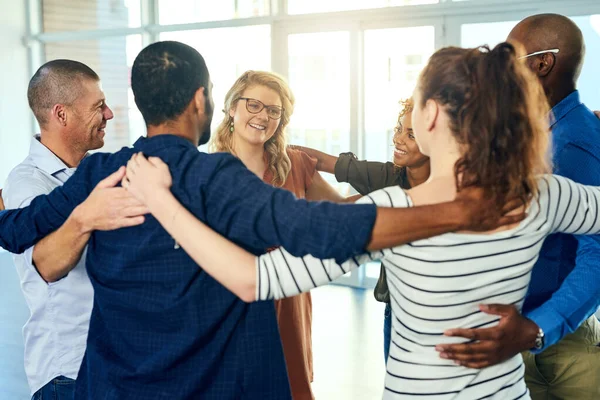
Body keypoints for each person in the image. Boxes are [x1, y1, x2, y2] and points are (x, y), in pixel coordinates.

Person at [0, 41, 520, 399]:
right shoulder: (215, 178)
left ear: (137, 104)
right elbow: (320, 229)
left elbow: (16, 229)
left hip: (115, 388)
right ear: (203, 101)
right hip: (221, 386)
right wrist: (455, 211)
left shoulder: (98, 173)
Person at [121, 42, 600, 399]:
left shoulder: (390, 210)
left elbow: (254, 279)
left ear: (430, 115)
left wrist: (161, 201)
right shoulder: (543, 194)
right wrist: (539, 328)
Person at [436, 14, 600, 400]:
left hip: (556, 345)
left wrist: (537, 328)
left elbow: (597, 253)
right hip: (519, 333)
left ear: (542, 63)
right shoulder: (537, 131)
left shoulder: (573, 142)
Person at [1, 60, 147, 400]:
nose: (109, 114)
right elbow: (47, 265)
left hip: (115, 367)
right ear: (61, 114)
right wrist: (87, 217)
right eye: (98, 106)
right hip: (68, 375)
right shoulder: (26, 183)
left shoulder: (94, 173)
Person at [209, 70, 358, 399]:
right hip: (227, 302)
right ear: (232, 108)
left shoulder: (295, 164)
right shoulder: (206, 172)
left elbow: (340, 214)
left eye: (274, 111)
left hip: (287, 300)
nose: (263, 116)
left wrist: (404, 189)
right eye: (254, 105)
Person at [293, 98, 430, 362]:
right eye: (399, 129)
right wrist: (276, 148)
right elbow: (322, 161)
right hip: (399, 312)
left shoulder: (457, 187)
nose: (399, 139)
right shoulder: (389, 176)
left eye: (411, 135)